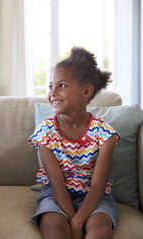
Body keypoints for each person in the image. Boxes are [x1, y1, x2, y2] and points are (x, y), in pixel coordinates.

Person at [28, 47, 120, 239]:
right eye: (50, 86)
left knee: (101, 230)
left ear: (86, 91)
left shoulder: (105, 135)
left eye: (61, 85)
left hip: (96, 197)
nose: (52, 92)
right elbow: (56, 181)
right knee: (54, 230)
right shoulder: (45, 132)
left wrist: (79, 221)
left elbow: (98, 185)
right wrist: (71, 218)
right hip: (55, 195)